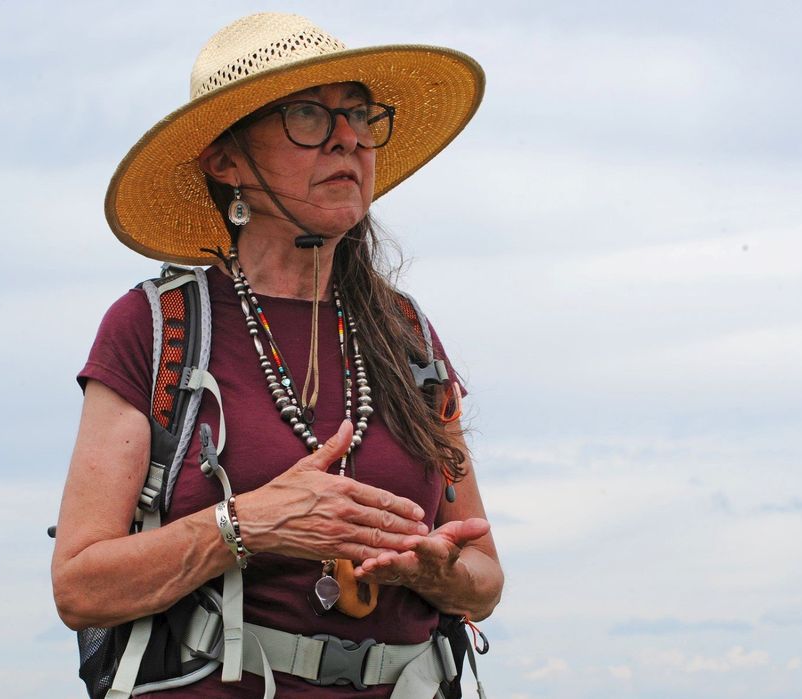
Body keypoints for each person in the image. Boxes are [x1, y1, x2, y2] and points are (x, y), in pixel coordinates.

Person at [51, 13, 503, 698]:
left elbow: (487, 577)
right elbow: (79, 586)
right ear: (226, 160)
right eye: (307, 116)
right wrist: (249, 524)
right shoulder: (154, 327)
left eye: (358, 114)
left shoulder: (408, 333)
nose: (348, 137)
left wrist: (432, 572)